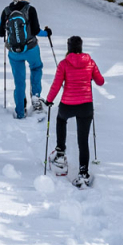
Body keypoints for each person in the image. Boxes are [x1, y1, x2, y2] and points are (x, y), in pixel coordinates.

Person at [45, 35, 104, 184]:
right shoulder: (90, 63)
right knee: (83, 140)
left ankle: (60, 152)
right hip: (86, 106)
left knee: (61, 120)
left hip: (68, 104)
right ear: (81, 47)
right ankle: (83, 173)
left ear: (68, 47)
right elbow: (101, 81)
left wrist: (49, 100)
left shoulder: (64, 64)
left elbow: (56, 85)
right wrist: (89, 76)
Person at [0, 0, 50, 119]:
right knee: (36, 68)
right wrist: (47, 33)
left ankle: (20, 111)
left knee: (19, 81)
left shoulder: (6, 11)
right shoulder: (29, 9)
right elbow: (37, 31)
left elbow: (0, 33)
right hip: (31, 48)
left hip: (14, 52)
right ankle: (36, 99)